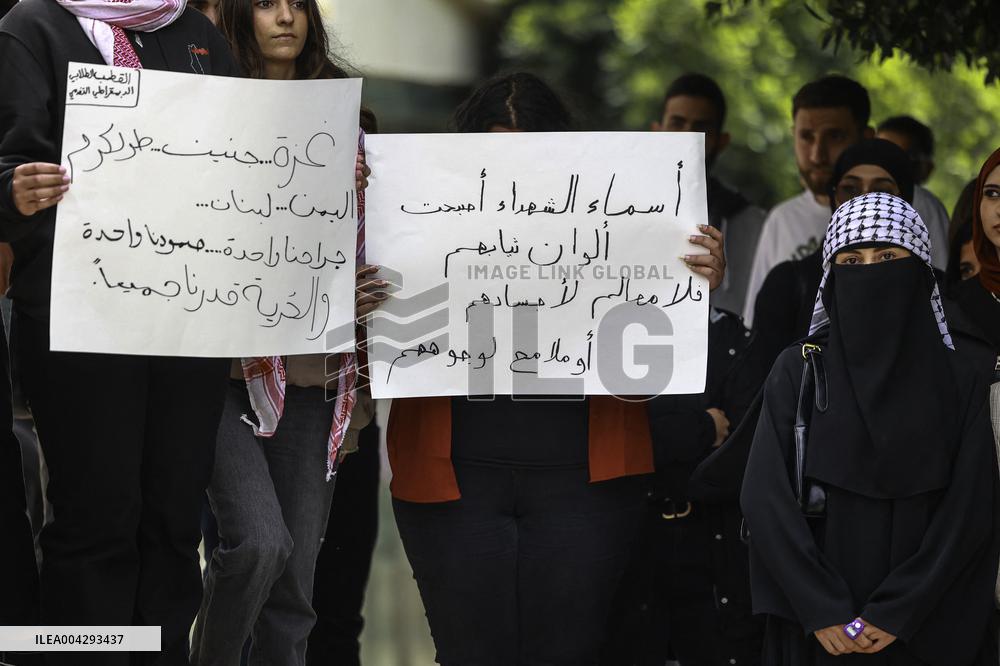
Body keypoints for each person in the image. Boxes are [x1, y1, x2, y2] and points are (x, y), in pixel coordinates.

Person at [388, 71, 728, 666]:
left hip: (586, 487)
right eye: (496, 151)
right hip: (453, 485)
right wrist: (365, 297)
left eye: (533, 151)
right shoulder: (415, 220)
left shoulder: (615, 219)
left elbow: (660, 315)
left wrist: (695, 283)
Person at [0, 4, 237, 665]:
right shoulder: (32, 26)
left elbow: (247, 156)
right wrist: (10, 190)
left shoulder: (198, 35)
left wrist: (319, 177)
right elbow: (10, 160)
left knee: (170, 523)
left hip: (185, 323)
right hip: (80, 320)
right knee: (93, 522)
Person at [190, 1, 378, 665]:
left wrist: (364, 264)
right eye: (268, 3)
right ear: (238, 15)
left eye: (299, 4)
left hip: (312, 372)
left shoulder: (350, 123)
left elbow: (378, 249)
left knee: (295, 584)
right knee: (259, 544)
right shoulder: (201, 109)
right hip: (218, 369)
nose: (287, 17)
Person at [741, 191, 999, 665]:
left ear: (919, 267)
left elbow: (970, 509)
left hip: (927, 626)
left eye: (887, 256)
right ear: (832, 276)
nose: (870, 269)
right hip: (818, 631)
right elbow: (765, 497)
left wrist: (899, 610)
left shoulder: (961, 377)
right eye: (852, 258)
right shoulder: (797, 370)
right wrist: (820, 607)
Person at [600, 306, 766, 666]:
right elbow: (597, 439)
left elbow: (745, 445)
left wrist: (650, 438)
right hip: (629, 540)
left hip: (713, 544)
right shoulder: (599, 327)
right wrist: (700, 429)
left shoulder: (731, 335)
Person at [750, 138, 916, 371]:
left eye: (881, 191)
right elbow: (763, 384)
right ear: (833, 196)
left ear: (905, 199)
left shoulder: (929, 287)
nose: (863, 201)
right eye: (851, 189)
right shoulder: (788, 283)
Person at [742, 75, 872, 325]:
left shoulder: (912, 211)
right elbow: (756, 325)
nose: (817, 154)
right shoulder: (782, 220)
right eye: (806, 137)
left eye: (834, 137)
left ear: (866, 137)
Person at [653, 72, 766, 317]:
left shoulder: (752, 223)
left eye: (701, 127)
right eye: (677, 123)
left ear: (721, 141)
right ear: (657, 131)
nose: (688, 136)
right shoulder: (618, 207)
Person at [876, 115, 950, 268]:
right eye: (879, 154)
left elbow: (941, 268)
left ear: (925, 167)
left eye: (899, 159)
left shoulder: (924, 204)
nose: (885, 165)